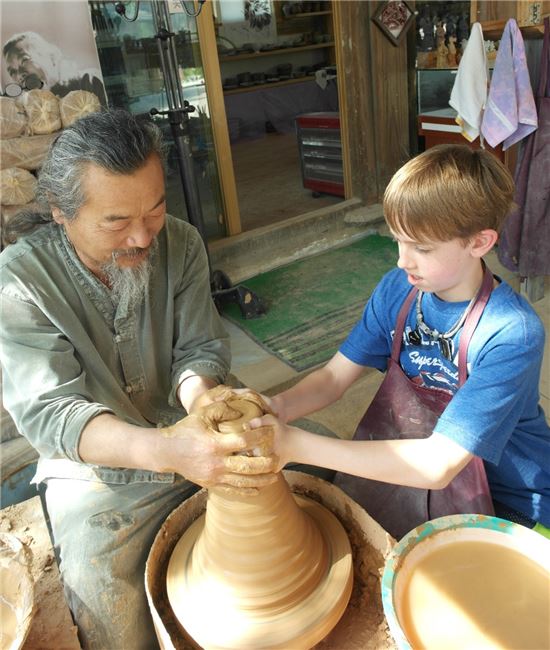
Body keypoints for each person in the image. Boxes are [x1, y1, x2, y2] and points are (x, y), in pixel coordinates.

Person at [0, 109, 276, 649]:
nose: (144, 235)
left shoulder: (182, 243)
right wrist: (169, 451)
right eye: (116, 222)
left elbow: (196, 350)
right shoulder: (20, 282)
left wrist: (204, 402)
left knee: (311, 464)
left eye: (156, 209)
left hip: (187, 426)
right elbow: (53, 416)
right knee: (106, 594)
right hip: (99, 469)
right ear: (60, 212)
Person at [248, 144, 550, 541]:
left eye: (421, 248)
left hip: (508, 495)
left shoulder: (510, 332)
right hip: (412, 469)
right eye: (398, 241)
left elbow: (438, 464)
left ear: (479, 242)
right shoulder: (398, 290)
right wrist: (275, 407)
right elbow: (333, 379)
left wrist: (292, 446)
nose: (402, 260)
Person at [2, 31, 107, 102]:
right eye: (12, 72)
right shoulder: (25, 109)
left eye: (24, 60)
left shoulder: (90, 81)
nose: (20, 74)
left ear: (52, 58)